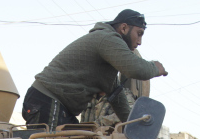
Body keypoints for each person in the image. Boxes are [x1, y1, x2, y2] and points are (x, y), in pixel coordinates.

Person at [21, 9, 167, 128]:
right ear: (124, 28)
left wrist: (133, 126)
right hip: (48, 101)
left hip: (58, 107)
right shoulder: (107, 38)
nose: (140, 42)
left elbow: (117, 97)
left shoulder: (106, 64)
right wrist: (155, 67)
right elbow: (136, 69)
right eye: (139, 34)